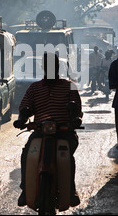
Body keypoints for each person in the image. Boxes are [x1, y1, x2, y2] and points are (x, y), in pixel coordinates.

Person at [13, 53, 82, 207]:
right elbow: (26, 106)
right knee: (26, 154)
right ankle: (25, 189)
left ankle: (70, 191)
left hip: (64, 131)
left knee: (67, 157)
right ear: (43, 67)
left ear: (58, 67)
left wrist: (75, 117)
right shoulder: (34, 87)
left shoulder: (69, 85)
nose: (51, 68)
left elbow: (77, 109)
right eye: (48, 65)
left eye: (54, 65)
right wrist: (22, 117)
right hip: (40, 131)